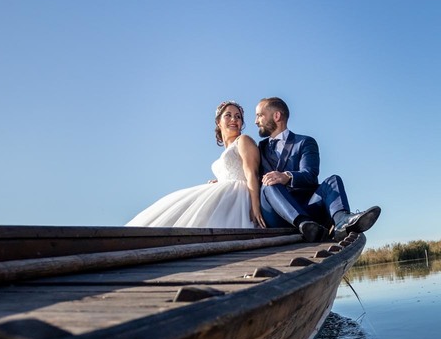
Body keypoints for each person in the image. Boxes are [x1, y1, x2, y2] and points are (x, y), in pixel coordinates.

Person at [255, 97, 380, 242]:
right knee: (269, 183)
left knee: (333, 180)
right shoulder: (259, 149)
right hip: (276, 213)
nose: (256, 121)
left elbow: (310, 175)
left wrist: (287, 176)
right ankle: (304, 225)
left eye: (259, 115)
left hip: (307, 207)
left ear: (276, 116)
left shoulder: (305, 142)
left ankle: (342, 221)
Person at [126, 101, 266, 228]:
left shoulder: (243, 140)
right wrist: (220, 182)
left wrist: (255, 206)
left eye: (238, 117)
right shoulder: (227, 150)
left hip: (241, 197)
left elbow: (251, 173)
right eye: (228, 115)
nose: (234, 119)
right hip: (226, 194)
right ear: (218, 122)